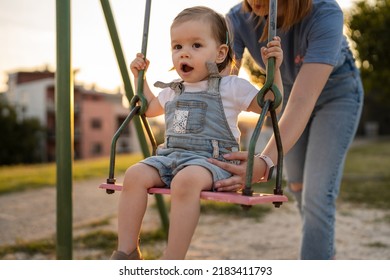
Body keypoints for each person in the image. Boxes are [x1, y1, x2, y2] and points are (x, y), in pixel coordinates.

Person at [110, 6, 284, 260]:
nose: (184, 54)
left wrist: (274, 70)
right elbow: (147, 109)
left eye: (196, 45)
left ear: (220, 52)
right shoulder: (172, 90)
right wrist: (140, 78)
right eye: (177, 47)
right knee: (135, 174)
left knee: (185, 181)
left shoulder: (231, 86)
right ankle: (127, 252)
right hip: (171, 158)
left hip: (212, 161)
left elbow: (271, 102)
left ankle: (173, 259)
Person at [208, 0, 364, 260]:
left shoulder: (325, 13)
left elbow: (304, 99)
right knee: (298, 185)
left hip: (337, 93)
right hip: (290, 92)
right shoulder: (237, 19)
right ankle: (322, 250)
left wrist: (265, 161)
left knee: (317, 195)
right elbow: (221, 86)